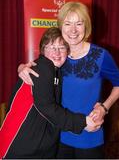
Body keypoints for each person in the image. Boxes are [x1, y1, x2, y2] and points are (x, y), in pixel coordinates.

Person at [17, 2, 119, 159]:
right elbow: (35, 66)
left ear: (86, 26)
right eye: (68, 23)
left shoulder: (101, 56)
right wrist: (21, 68)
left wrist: (104, 107)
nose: (73, 30)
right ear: (61, 26)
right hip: (58, 135)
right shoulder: (56, 55)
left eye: (79, 23)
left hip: (89, 134)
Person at [0, 27, 102, 159]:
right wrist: (83, 122)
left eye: (62, 47)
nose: (57, 52)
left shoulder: (58, 71)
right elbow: (47, 108)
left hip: (37, 144)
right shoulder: (43, 68)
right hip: (18, 146)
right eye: (51, 47)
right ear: (42, 51)